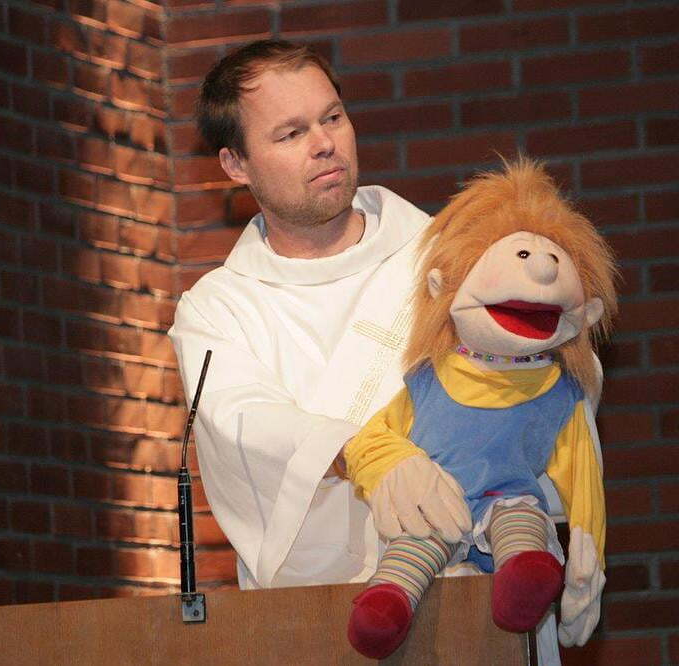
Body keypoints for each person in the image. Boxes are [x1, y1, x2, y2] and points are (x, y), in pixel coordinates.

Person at [168, 39, 575, 663]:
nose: (324, 143)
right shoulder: (219, 309)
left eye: (332, 117)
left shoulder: (453, 256)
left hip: (477, 600)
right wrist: (363, 453)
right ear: (235, 163)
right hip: (320, 617)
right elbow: (242, 418)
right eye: (290, 133)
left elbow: (552, 377)